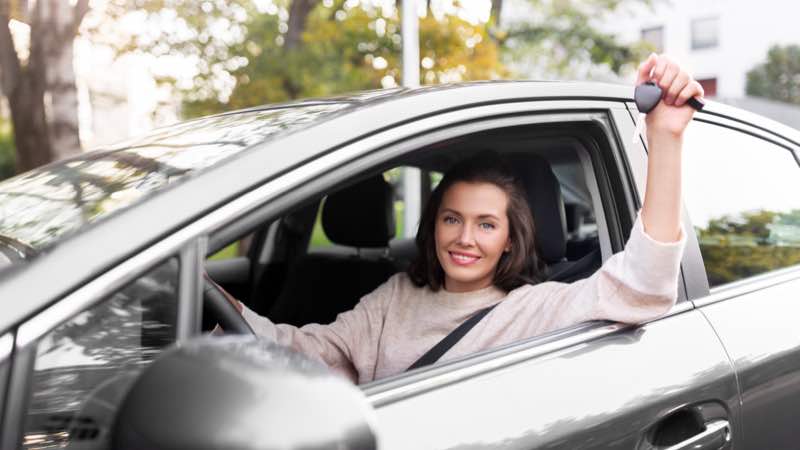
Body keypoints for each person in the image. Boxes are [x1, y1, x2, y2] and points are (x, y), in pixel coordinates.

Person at [227, 54, 702, 384]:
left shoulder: (534, 308)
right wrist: (220, 306)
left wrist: (665, 136)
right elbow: (315, 352)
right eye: (452, 219)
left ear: (511, 241)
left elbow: (645, 284)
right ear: (433, 224)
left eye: (487, 224)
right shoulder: (397, 296)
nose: (465, 239)